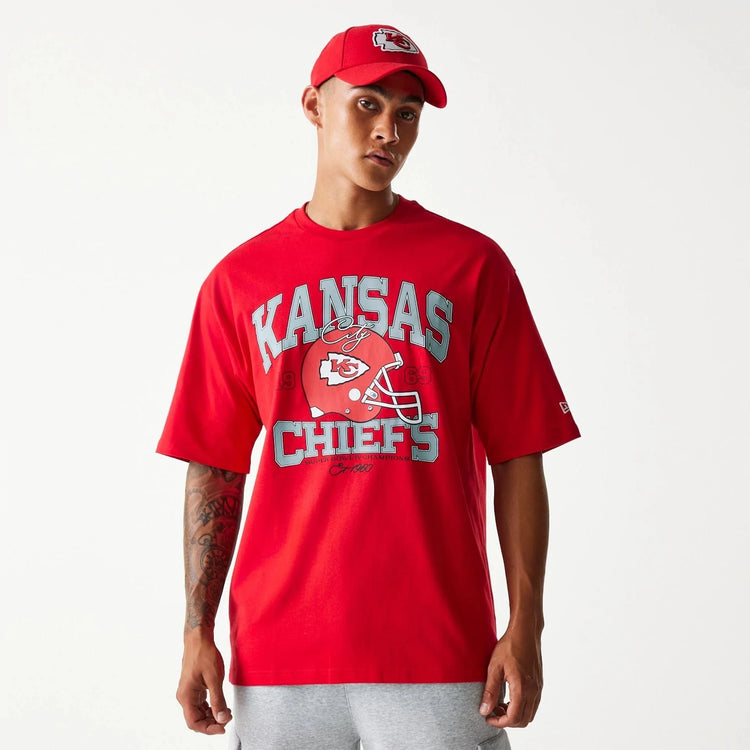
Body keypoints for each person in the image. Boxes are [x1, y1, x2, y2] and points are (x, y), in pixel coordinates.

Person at [157, 24, 580, 749]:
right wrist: (197, 633)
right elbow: (215, 467)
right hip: (278, 661)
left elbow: (520, 454)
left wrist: (526, 625)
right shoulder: (239, 281)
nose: (390, 129)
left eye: (408, 112)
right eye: (368, 103)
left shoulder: (472, 266)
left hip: (439, 651)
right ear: (314, 106)